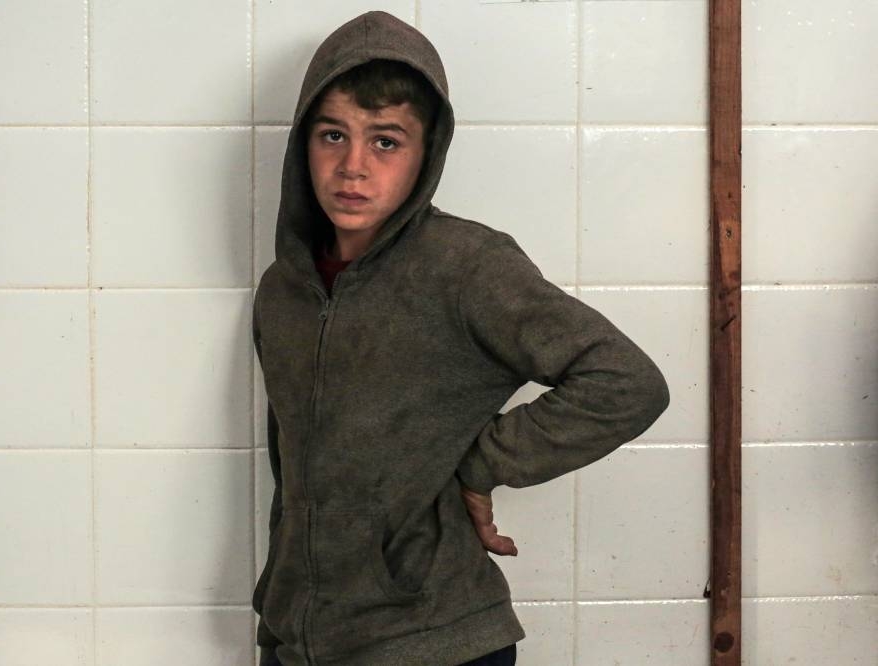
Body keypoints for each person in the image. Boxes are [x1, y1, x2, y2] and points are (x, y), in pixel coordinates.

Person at [251, 11, 670, 666]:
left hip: (436, 641)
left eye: (386, 141)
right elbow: (293, 475)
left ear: (427, 155)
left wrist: (482, 464)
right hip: (306, 643)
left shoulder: (465, 266)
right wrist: (277, 628)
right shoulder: (284, 292)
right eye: (333, 135)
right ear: (303, 142)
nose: (352, 166)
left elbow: (625, 382)